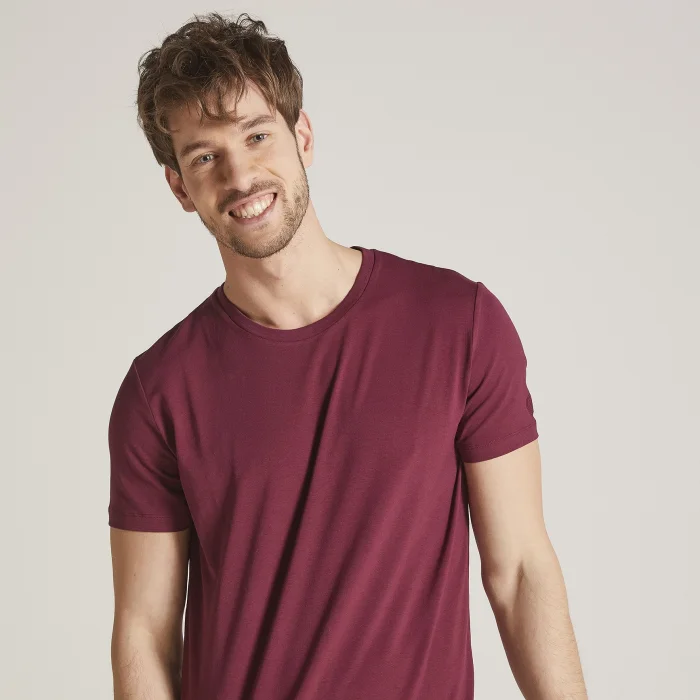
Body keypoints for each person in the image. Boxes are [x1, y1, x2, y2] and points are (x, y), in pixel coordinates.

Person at [108, 11, 587, 700]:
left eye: (257, 135)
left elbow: (519, 572)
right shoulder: (159, 391)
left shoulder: (459, 324)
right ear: (180, 186)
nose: (241, 175)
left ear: (302, 136)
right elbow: (144, 633)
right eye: (205, 156)